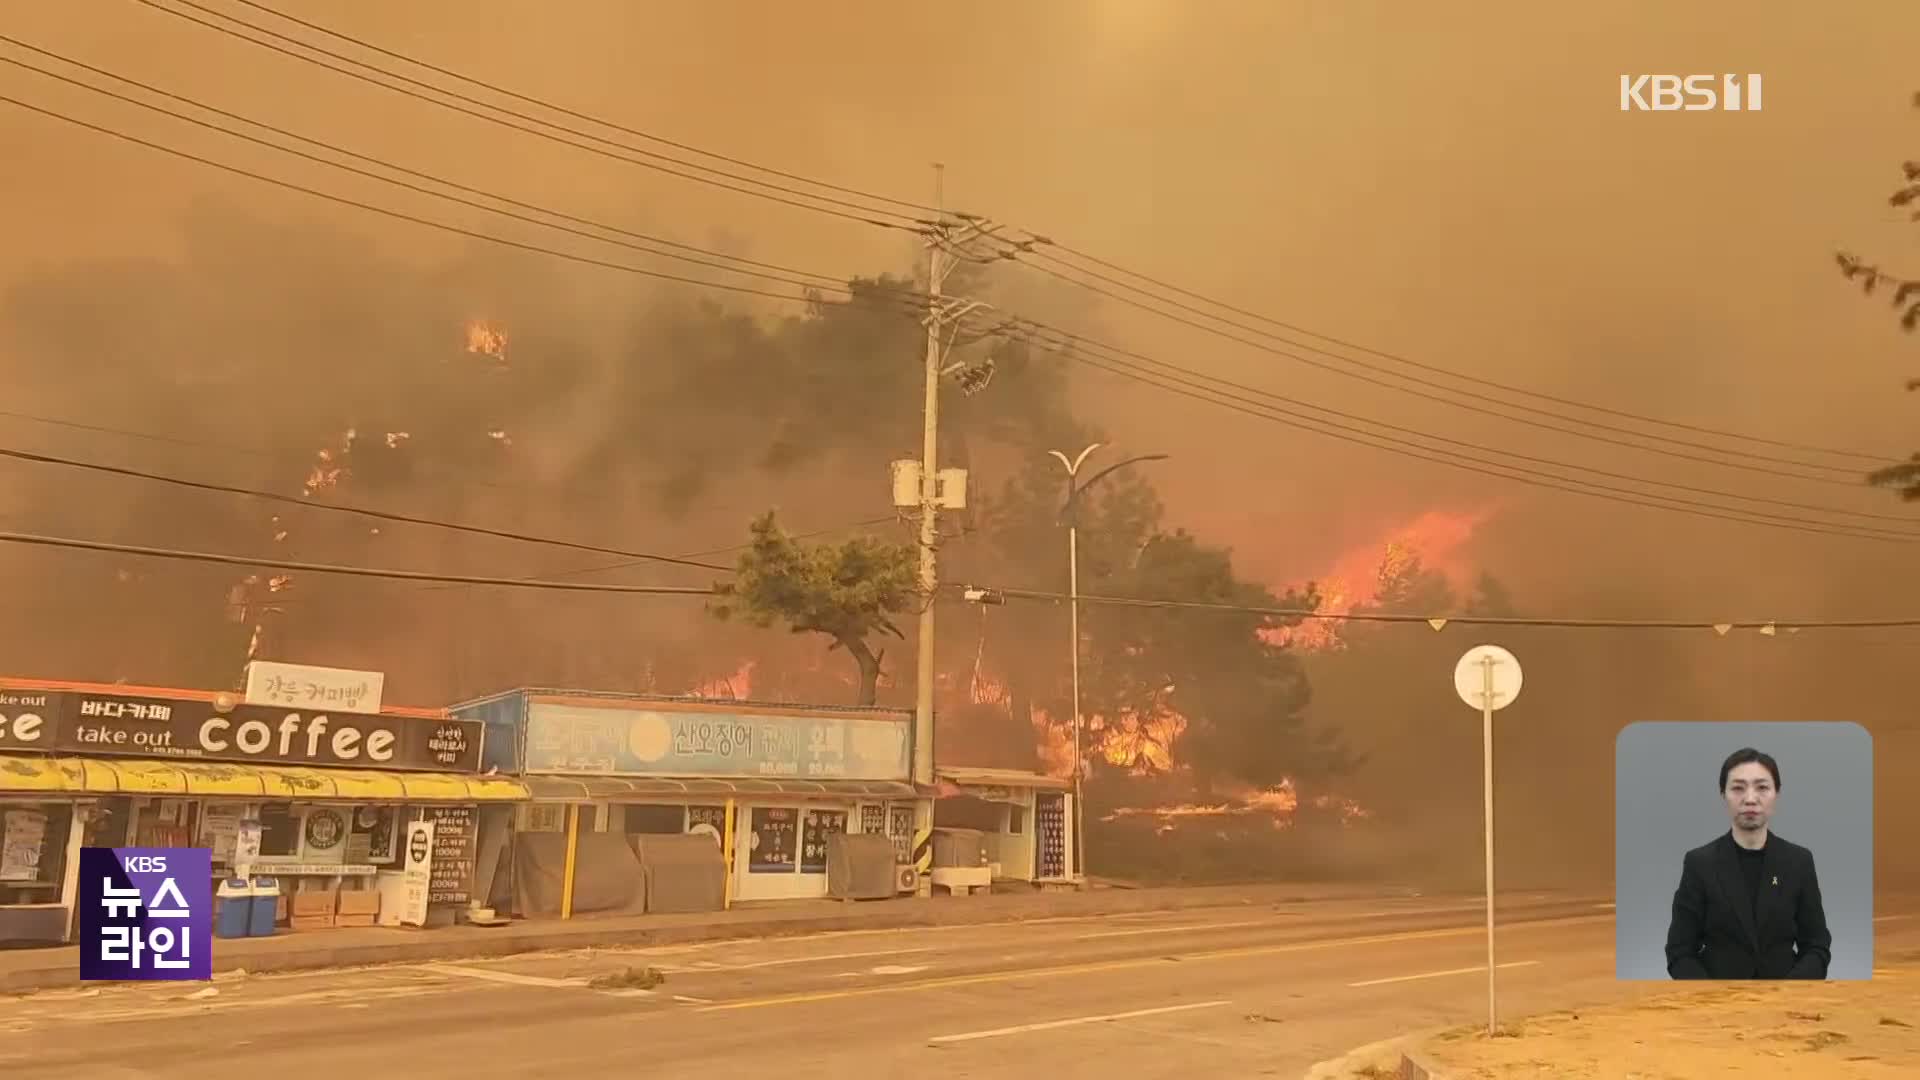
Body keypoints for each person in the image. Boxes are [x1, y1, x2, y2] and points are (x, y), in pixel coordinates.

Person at [1664, 748, 1831, 979]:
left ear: (1776, 793)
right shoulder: (1700, 864)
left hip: (1786, 1002)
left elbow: (1817, 946)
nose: (1750, 799)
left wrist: (1789, 994)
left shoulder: (1798, 862)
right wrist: (1712, 1000)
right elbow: (1679, 952)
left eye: (1762, 787)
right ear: (1723, 794)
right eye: (1738, 788)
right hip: (1718, 1004)